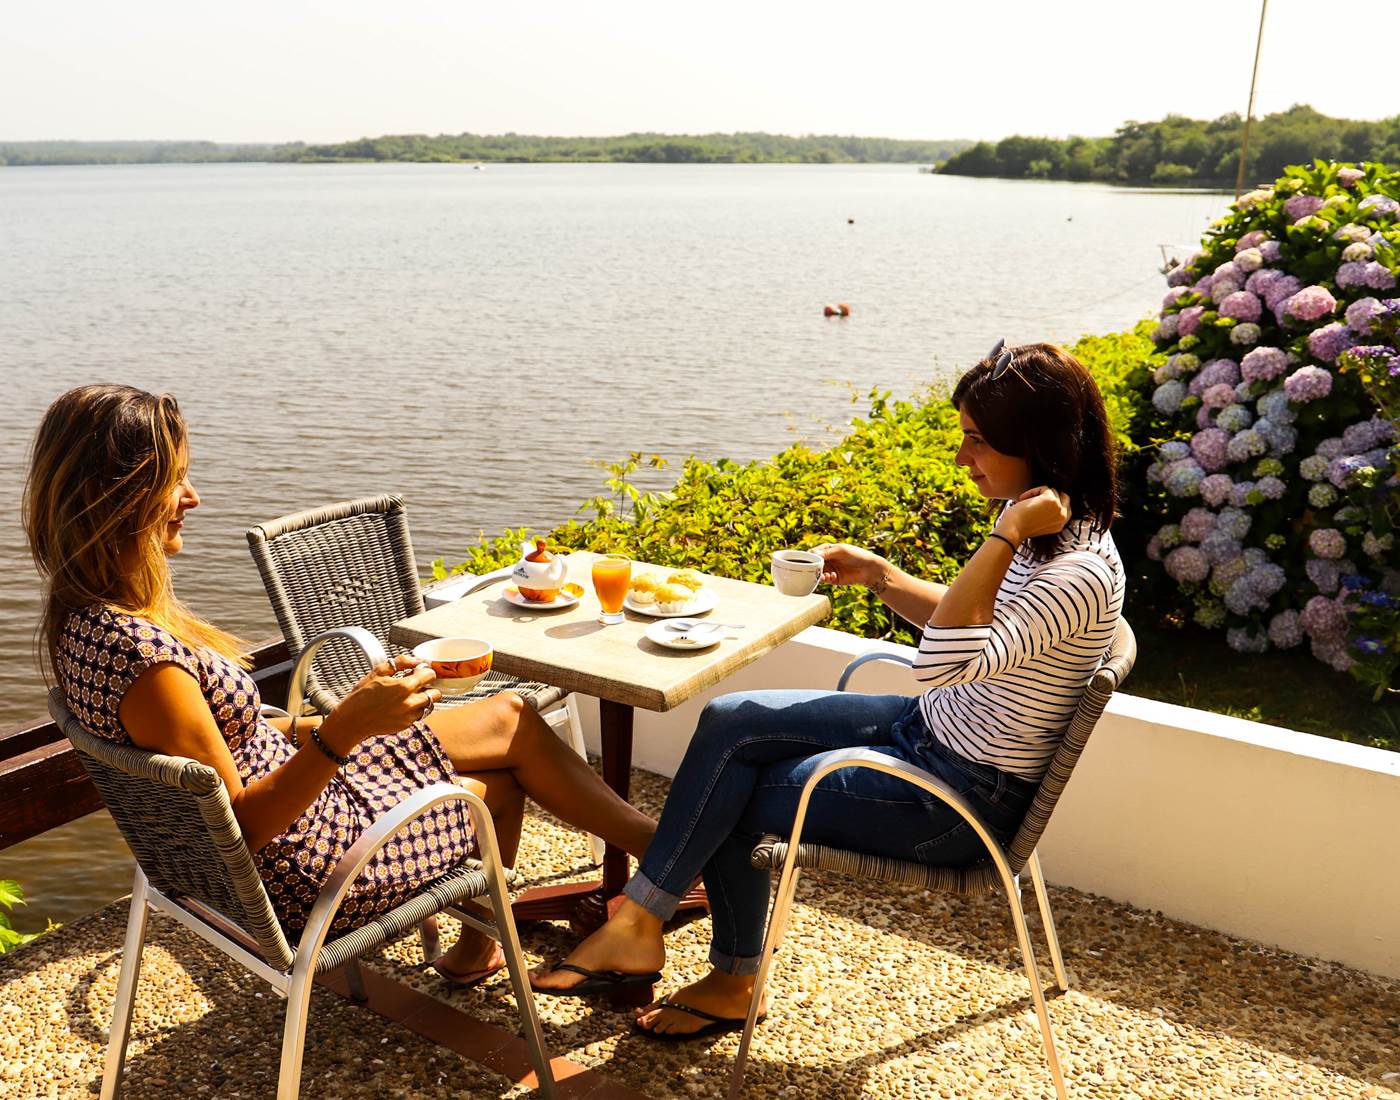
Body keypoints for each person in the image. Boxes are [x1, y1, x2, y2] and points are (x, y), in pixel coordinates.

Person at [531, 341, 1125, 1039]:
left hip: (959, 799)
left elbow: (942, 661)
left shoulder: (1071, 566)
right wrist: (883, 575)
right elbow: (970, 627)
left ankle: (729, 979)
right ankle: (639, 920)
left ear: (1039, 446)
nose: (963, 458)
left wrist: (1003, 532)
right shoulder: (1054, 531)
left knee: (735, 791)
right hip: (931, 733)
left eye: (978, 442)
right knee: (731, 721)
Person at [25, 383, 656, 985]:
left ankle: (648, 865)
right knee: (492, 787)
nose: (193, 497)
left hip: (301, 795)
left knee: (509, 715)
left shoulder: (84, 622)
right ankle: (665, 865)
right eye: (174, 483)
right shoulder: (145, 661)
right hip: (305, 865)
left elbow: (224, 740)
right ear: (118, 499)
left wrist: (345, 717)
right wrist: (346, 731)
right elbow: (241, 826)